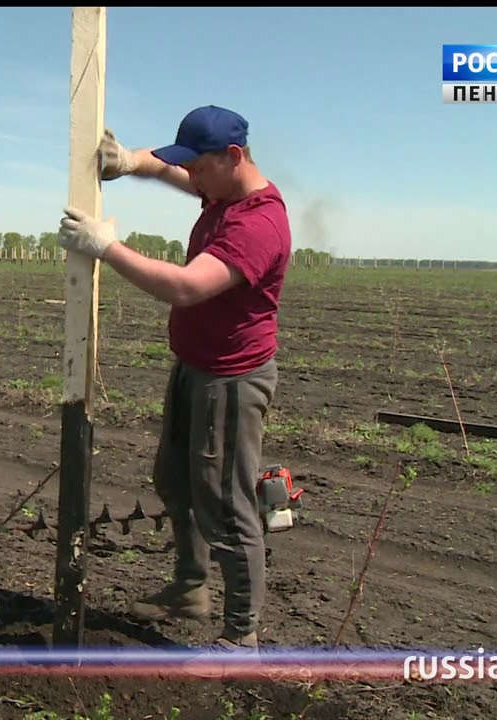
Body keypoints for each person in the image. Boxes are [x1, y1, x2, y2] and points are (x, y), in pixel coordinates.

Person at [57, 105, 291, 653]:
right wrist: (130, 161)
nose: (193, 179)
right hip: (194, 366)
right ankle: (190, 589)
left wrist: (106, 248)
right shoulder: (223, 188)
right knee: (175, 480)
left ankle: (241, 637)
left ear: (233, 158)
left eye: (200, 168)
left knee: (226, 505)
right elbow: (173, 171)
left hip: (231, 380)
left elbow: (186, 287)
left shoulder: (257, 224)